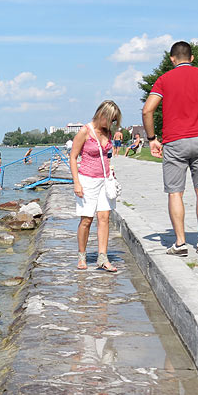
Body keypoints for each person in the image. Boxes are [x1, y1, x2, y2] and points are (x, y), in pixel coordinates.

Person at [143, 40, 198, 256]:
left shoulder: (164, 80)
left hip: (174, 141)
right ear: (192, 58)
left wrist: (152, 138)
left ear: (171, 59)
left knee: (175, 194)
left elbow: (147, 110)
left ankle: (179, 244)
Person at [70, 100, 122, 272]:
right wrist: (76, 182)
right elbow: (73, 157)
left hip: (105, 180)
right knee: (86, 220)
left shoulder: (108, 132)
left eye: (115, 120)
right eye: (111, 119)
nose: (112, 123)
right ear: (102, 115)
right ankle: (82, 256)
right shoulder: (85, 131)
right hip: (87, 180)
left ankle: (103, 258)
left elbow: (107, 155)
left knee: (104, 218)